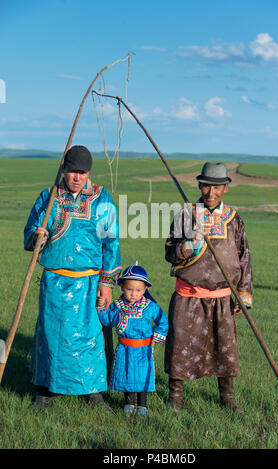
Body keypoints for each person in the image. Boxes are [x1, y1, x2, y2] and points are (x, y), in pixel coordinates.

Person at [24, 145, 121, 409]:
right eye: (72, 171)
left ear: (89, 172)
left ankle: (92, 392)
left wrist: (106, 284)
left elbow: (111, 243)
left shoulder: (102, 200)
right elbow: (30, 231)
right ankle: (45, 391)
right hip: (55, 281)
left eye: (82, 172)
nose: (77, 177)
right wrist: (37, 235)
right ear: (63, 169)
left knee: (89, 338)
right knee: (50, 334)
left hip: (89, 282)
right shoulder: (49, 197)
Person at [164, 162, 253, 413]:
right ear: (200, 186)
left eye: (216, 187)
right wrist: (186, 247)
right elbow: (170, 253)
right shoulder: (186, 215)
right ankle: (175, 397)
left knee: (225, 349)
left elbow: (244, 256)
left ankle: (227, 397)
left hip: (224, 297)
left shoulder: (234, 219)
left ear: (225, 188)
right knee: (181, 345)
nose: (210, 193)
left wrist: (243, 294)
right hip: (189, 295)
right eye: (206, 187)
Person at [97, 264, 169, 417]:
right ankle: (128, 403)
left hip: (144, 348)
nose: (134, 294)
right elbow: (108, 321)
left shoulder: (149, 307)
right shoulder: (118, 306)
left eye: (139, 290)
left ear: (144, 290)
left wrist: (157, 336)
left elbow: (163, 321)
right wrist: (102, 308)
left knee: (143, 376)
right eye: (130, 289)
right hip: (124, 348)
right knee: (126, 374)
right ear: (122, 286)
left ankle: (142, 406)